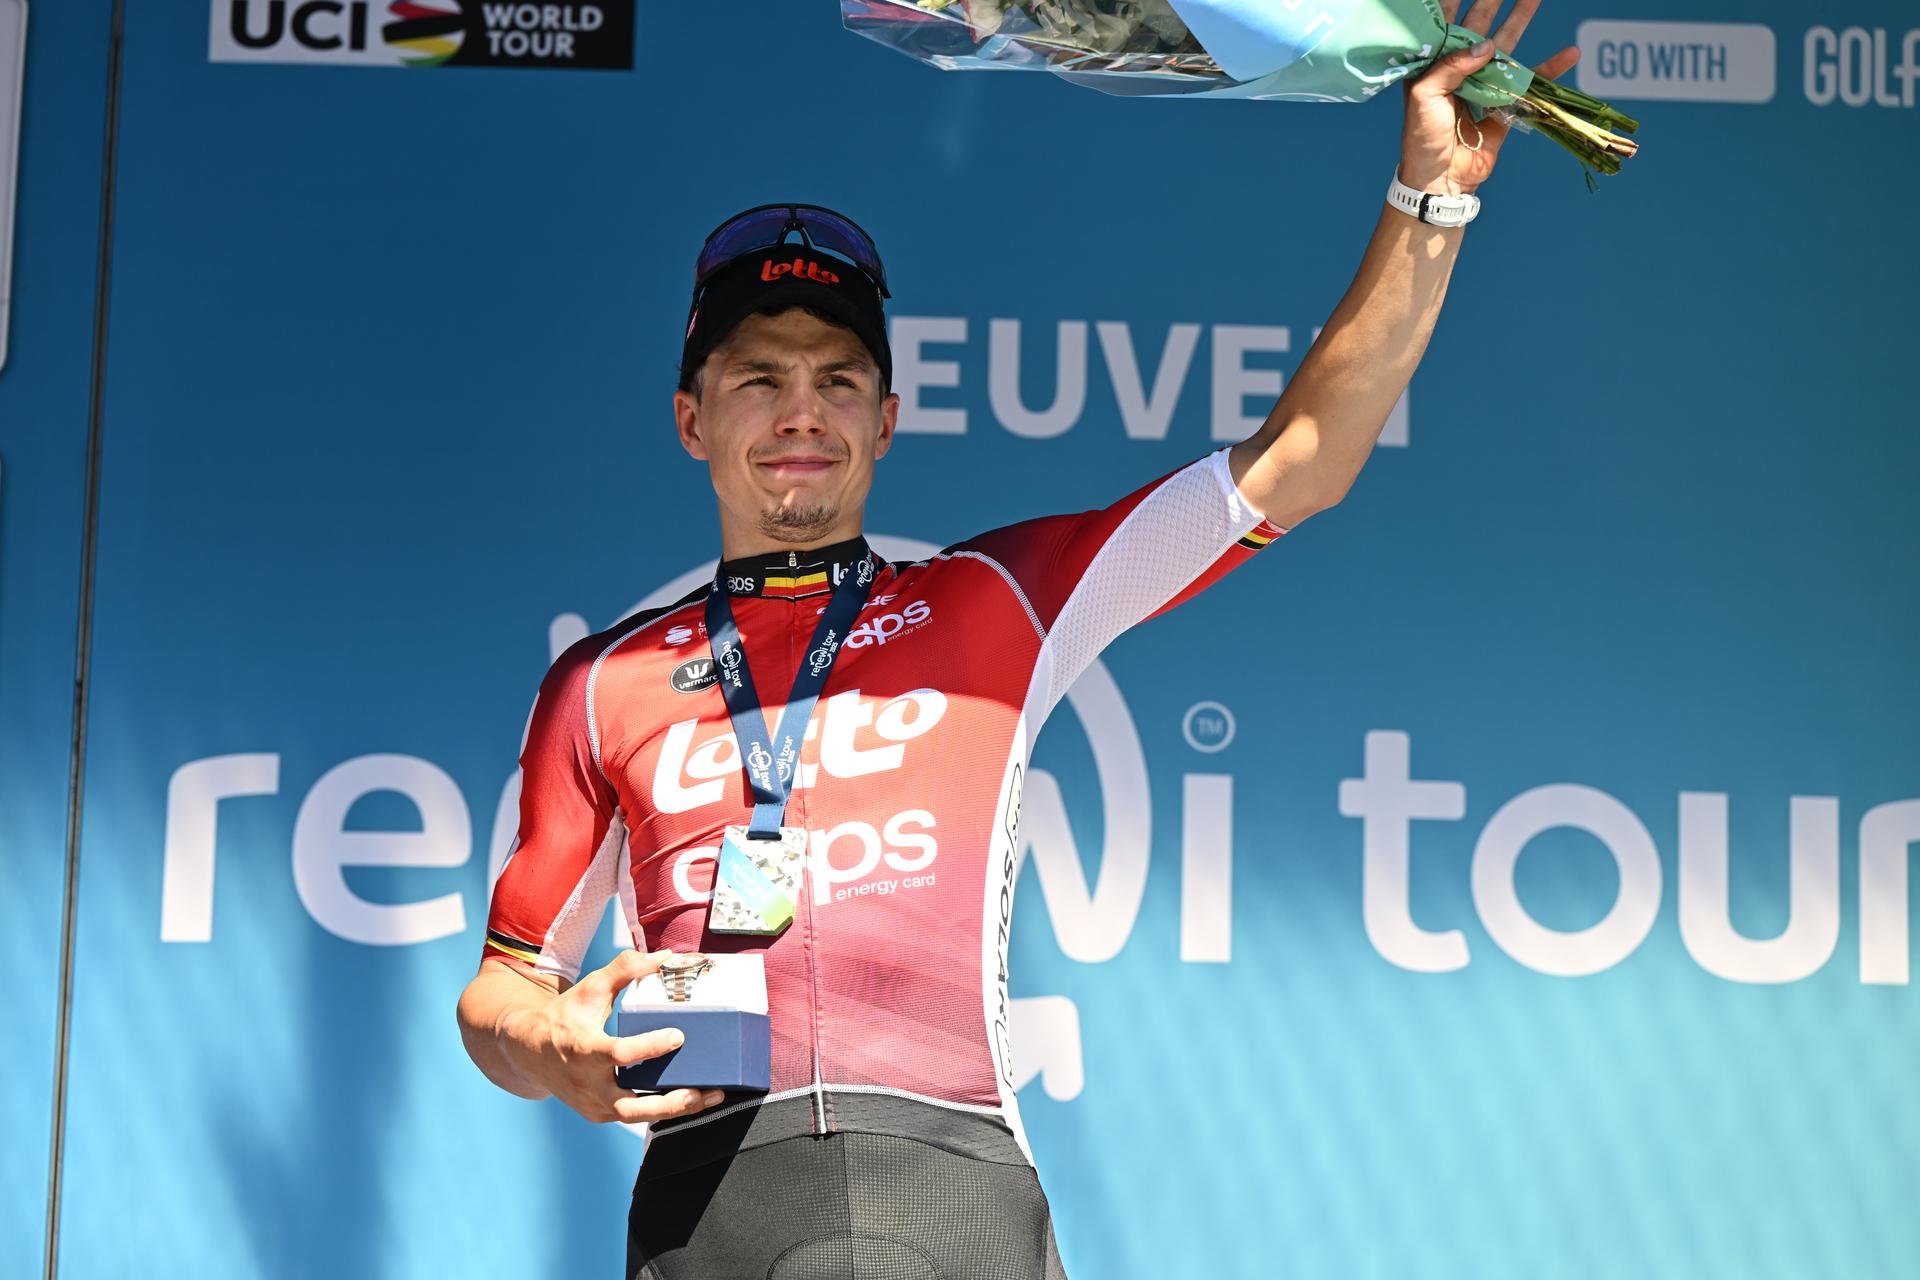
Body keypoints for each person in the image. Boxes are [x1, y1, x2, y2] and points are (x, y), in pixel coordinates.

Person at [456, 5, 1578, 1276]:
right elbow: (499, 991)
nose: (800, 413)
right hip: (712, 1212)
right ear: (689, 418)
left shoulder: (1001, 597)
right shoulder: (605, 683)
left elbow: (1298, 465)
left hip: (959, 1192)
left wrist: (1429, 201)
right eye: (758, 378)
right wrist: (557, 1048)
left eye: (837, 381)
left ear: (887, 421)